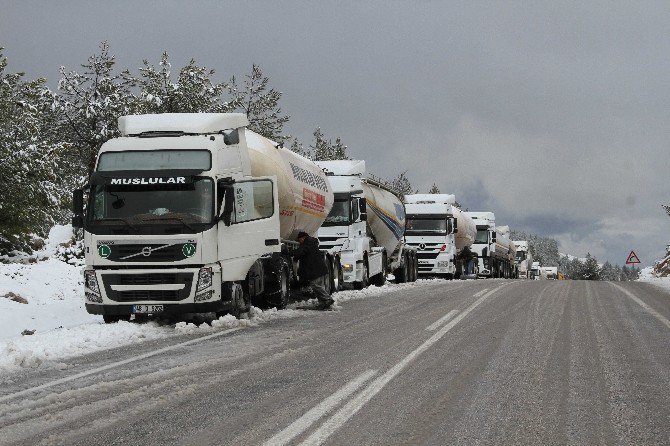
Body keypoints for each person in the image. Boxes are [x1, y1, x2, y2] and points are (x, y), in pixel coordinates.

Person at [292, 231, 334, 309]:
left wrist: (289, 252)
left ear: (302, 238)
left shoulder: (308, 242)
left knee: (315, 285)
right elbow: (304, 254)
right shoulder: (311, 243)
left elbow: (301, 251)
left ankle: (328, 299)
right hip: (319, 269)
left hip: (316, 269)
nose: (299, 242)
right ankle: (323, 303)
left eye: (299, 240)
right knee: (317, 285)